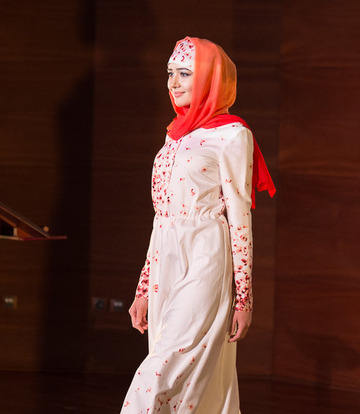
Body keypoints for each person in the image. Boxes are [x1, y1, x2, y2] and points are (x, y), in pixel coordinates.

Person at [121, 36, 275, 413]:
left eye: (185, 73)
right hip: (166, 261)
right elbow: (162, 217)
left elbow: (240, 217)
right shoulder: (175, 134)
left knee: (158, 373)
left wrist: (244, 298)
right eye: (170, 72)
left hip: (206, 257)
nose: (173, 82)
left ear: (210, 77)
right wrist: (143, 288)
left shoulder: (233, 135)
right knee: (186, 378)